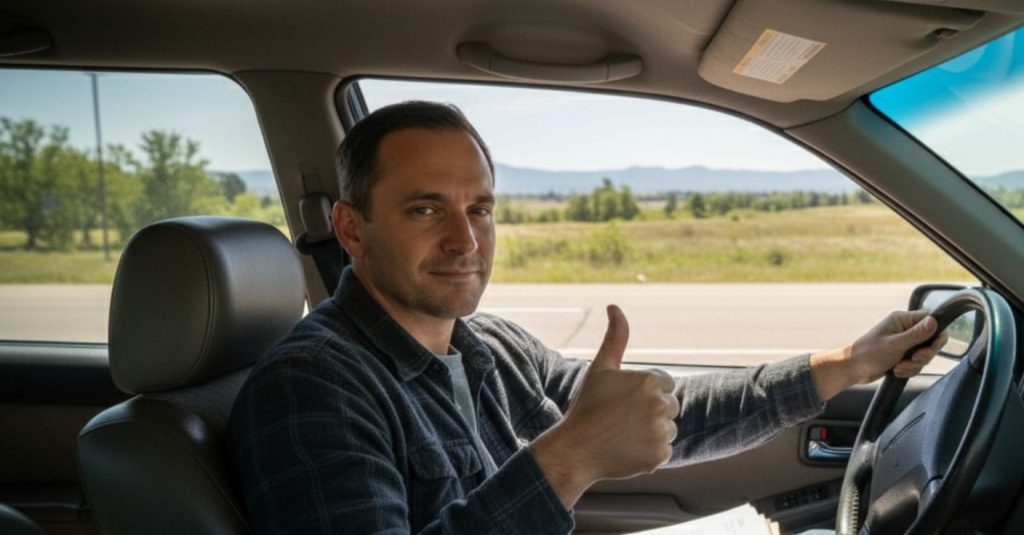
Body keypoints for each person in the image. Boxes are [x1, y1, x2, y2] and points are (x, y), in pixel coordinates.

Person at [228, 101, 944, 534]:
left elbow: (660, 415)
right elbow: (584, 443)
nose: (465, 240)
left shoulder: (488, 347)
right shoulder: (312, 387)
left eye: (479, 208)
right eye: (425, 209)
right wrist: (568, 457)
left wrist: (846, 363)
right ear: (352, 230)